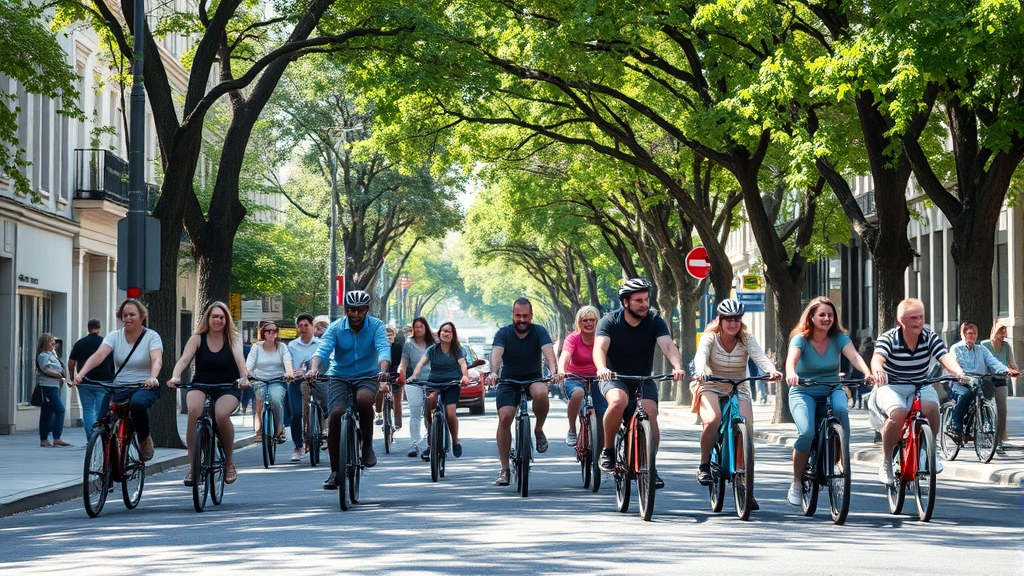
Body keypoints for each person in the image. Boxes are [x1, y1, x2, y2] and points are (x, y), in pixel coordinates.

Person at [593, 279, 686, 489]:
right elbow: (599, 348)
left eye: (646, 299)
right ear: (625, 302)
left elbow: (668, 345)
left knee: (650, 411)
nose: (644, 304)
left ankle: (650, 466)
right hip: (614, 377)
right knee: (618, 402)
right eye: (638, 300)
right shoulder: (609, 321)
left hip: (643, 378)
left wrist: (677, 366)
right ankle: (608, 450)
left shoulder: (654, 321)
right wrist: (601, 368)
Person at [691, 298, 782, 509]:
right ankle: (704, 465)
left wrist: (771, 370)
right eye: (728, 320)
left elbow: (760, 356)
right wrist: (702, 370)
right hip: (711, 385)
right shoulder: (710, 337)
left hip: (738, 387)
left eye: (737, 320)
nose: (733, 324)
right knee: (713, 420)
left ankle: (748, 491)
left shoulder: (746, 339)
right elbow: (700, 357)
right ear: (720, 321)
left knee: (747, 432)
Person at [783, 297, 873, 506]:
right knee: (806, 433)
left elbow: (855, 357)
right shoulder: (800, 339)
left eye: (830, 315)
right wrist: (791, 373)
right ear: (811, 317)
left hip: (832, 388)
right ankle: (796, 483)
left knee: (841, 409)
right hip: (803, 390)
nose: (826, 318)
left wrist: (867, 372)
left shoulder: (839, 338)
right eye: (821, 315)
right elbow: (791, 360)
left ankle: (841, 454)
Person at [870, 298, 965, 484]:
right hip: (892, 386)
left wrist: (959, 371)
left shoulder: (929, 337)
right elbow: (877, 358)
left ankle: (929, 451)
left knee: (931, 407)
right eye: (912, 317)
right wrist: (878, 370)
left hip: (920, 386)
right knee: (898, 413)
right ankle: (887, 461)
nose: (918, 322)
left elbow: (944, 356)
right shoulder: (888, 338)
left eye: (921, 317)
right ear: (900, 321)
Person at [306, 290, 391, 489]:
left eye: (361, 310)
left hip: (368, 376)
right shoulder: (335, 328)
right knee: (336, 414)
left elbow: (383, 349)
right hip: (339, 376)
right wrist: (314, 369)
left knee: (363, 399)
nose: (356, 315)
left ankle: (368, 446)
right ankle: (335, 471)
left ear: (367, 310)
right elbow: (322, 351)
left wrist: (384, 370)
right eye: (352, 310)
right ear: (345, 309)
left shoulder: (376, 326)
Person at [168, 301, 250, 485]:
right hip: (201, 385)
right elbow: (184, 359)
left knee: (221, 414)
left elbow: (239, 360)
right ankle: (193, 467)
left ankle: (229, 462)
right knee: (194, 411)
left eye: (221, 317)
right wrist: (175, 376)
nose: (218, 320)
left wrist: (244, 377)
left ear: (226, 319)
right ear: (208, 318)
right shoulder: (197, 339)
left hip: (227, 386)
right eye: (214, 316)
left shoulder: (233, 339)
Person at [485, 297, 562, 486]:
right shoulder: (503, 333)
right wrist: (494, 372)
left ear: (531, 316)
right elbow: (496, 353)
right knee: (505, 418)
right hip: (509, 381)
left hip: (533, 379)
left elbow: (548, 352)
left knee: (542, 392)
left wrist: (553, 371)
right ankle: (504, 469)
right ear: (512, 316)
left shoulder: (539, 331)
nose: (522, 320)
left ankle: (538, 430)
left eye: (525, 316)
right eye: (518, 316)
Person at [73, 299, 163, 461]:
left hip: (143, 386)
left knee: (137, 404)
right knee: (101, 422)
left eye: (132, 315)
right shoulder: (114, 336)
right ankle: (110, 461)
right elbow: (99, 355)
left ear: (142, 316)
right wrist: (81, 373)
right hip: (118, 386)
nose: (127, 318)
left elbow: (156, 359)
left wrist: (153, 377)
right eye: (124, 315)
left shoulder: (151, 336)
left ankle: (144, 439)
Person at [947, 321, 1020, 445]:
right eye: (970, 333)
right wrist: (960, 373)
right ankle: (956, 428)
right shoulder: (956, 348)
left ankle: (985, 428)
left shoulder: (981, 349)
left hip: (979, 381)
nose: (973, 336)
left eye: (975, 333)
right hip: (961, 382)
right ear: (963, 334)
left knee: (986, 398)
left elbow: (993, 361)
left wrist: (1006, 370)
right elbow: (953, 363)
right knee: (965, 396)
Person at [410, 321, 470, 460]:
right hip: (434, 382)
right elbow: (421, 363)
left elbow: (463, 365)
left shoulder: (458, 350)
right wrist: (414, 375)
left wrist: (465, 376)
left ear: (453, 334)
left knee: (450, 413)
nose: (446, 333)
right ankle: (431, 445)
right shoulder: (432, 349)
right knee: (429, 406)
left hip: (452, 383)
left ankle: (455, 441)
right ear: (439, 333)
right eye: (443, 331)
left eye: (449, 331)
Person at [557, 306, 607, 446]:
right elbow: (565, 356)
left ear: (598, 322)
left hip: (599, 379)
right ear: (578, 322)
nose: (589, 323)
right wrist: (561, 370)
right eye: (585, 320)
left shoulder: (603, 338)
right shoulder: (572, 338)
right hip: (575, 378)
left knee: (602, 411)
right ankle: (572, 429)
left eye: (592, 320)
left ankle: (603, 447)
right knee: (578, 393)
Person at [246, 320, 294, 442]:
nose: (272, 333)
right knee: (260, 401)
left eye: (275, 331)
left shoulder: (282, 347)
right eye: (268, 331)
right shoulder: (256, 347)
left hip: (277, 380)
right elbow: (249, 363)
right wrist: (246, 373)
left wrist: (289, 373)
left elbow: (287, 361)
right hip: (259, 380)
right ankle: (260, 429)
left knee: (276, 398)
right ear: (264, 334)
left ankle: (279, 429)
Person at [68, 319, 115, 441]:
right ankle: (100, 437)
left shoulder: (80, 343)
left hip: (85, 381)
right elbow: (114, 361)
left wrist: (72, 376)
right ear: (99, 328)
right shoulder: (106, 343)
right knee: (100, 411)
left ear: (88, 328)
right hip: (103, 381)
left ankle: (91, 438)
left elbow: (71, 362)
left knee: (88, 410)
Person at [398, 317, 436, 458]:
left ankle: (429, 442)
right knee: (415, 414)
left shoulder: (434, 342)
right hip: (414, 382)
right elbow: (404, 361)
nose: (418, 329)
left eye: (421, 326)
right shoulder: (409, 343)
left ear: (426, 328)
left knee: (429, 414)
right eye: (416, 327)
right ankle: (414, 444)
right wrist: (400, 373)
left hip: (432, 382)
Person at [982, 321, 1019, 452]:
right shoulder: (984, 345)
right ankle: (985, 433)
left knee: (1002, 409)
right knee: (987, 408)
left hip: (1001, 378)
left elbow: (1011, 362)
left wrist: (1016, 371)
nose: (1002, 335)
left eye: (1004, 333)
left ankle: (1000, 438)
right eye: (1000, 332)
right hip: (987, 379)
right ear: (994, 332)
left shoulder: (1006, 346)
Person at [288, 313, 320, 462]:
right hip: (296, 380)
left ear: (312, 326)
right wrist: (291, 373)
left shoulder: (320, 344)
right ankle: (298, 446)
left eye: (306, 325)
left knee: (322, 406)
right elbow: (288, 362)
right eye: (300, 325)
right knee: (296, 413)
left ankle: (320, 434)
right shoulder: (292, 345)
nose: (303, 328)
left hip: (315, 380)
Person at [36, 333, 70, 447]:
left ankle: (44, 439)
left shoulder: (52, 354)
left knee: (47, 412)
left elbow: (59, 366)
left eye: (54, 342)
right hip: (48, 387)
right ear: (45, 343)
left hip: (54, 386)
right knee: (60, 410)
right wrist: (58, 375)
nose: (54, 344)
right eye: (51, 342)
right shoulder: (43, 356)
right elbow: (45, 369)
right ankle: (56, 437)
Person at [375, 326, 405, 432]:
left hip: (395, 374)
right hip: (381, 374)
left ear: (394, 336)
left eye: (390, 335)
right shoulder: (378, 348)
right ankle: (379, 414)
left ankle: (397, 423)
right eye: (386, 335)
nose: (388, 337)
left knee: (397, 399)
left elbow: (402, 362)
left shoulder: (398, 347)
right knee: (380, 391)